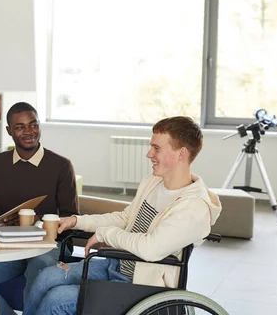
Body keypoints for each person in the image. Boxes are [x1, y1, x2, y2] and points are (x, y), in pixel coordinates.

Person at [23, 116, 222, 315]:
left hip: (140, 285)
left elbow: (150, 248)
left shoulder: (194, 208)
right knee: (46, 278)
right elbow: (126, 219)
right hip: (116, 264)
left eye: (157, 148)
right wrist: (77, 221)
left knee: (56, 300)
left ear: (181, 154)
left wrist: (105, 235)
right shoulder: (153, 181)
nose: (148, 154)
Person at [0, 102, 79, 315]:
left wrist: (36, 219)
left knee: (40, 265)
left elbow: (71, 217)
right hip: (9, 245)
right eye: (20, 127)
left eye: (33, 125)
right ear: (9, 131)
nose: (29, 132)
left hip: (49, 244)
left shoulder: (61, 165)